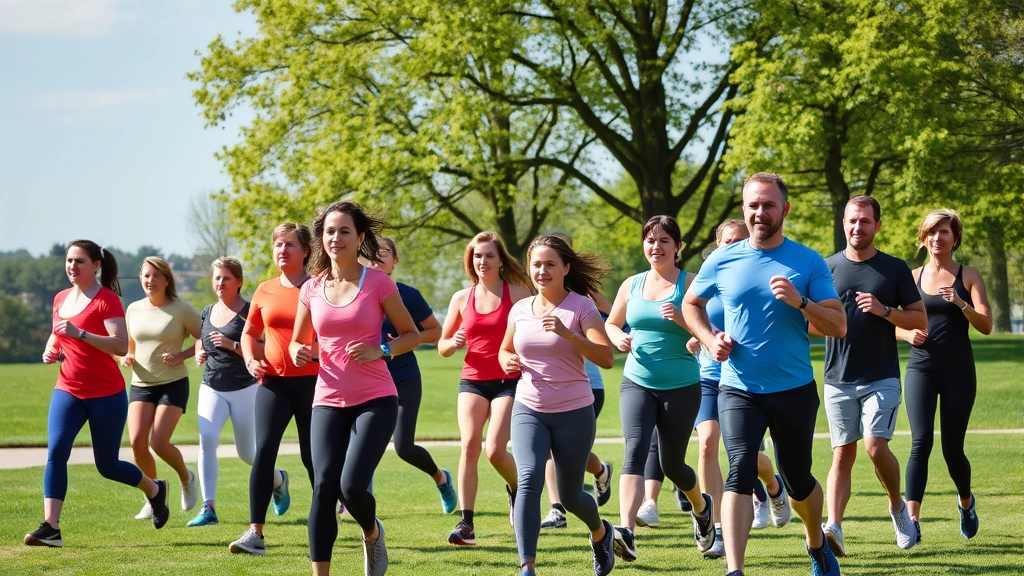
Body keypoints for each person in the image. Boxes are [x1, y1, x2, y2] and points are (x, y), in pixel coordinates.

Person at [683, 172, 847, 576]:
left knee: (797, 479)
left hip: (793, 389)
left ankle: (815, 542)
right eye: (753, 205)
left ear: (784, 209)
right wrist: (707, 339)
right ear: (744, 209)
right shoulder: (722, 258)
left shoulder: (807, 260)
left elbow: (838, 325)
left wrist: (802, 301)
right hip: (739, 388)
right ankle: (735, 570)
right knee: (739, 466)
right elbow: (691, 304)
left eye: (769, 204)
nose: (760, 212)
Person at [290, 201, 420, 576]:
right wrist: (300, 352)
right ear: (321, 239)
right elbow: (299, 343)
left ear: (360, 237)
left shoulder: (378, 282)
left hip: (376, 399)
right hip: (328, 398)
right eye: (330, 231)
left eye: (345, 231)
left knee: (350, 487)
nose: (336, 238)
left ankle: (372, 532)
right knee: (323, 487)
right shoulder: (311, 288)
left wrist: (381, 348)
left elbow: (411, 335)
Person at [25, 240, 171, 548]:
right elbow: (58, 331)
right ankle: (51, 526)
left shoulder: (107, 300)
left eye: (79, 261)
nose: (72, 266)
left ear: (96, 266)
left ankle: (155, 490)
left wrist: (81, 334)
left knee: (107, 466)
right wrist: (51, 347)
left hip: (106, 393)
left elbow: (120, 345)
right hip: (68, 389)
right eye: (69, 260)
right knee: (56, 452)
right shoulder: (60, 298)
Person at [498, 234, 616, 576]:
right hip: (529, 408)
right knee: (529, 479)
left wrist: (569, 334)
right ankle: (527, 567)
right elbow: (506, 349)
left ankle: (601, 532)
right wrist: (507, 360)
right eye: (536, 264)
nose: (542, 270)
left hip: (574, 412)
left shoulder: (581, 306)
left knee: (569, 495)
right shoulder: (520, 309)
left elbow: (606, 357)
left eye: (550, 264)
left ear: (565, 268)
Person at [818, 197, 928, 555]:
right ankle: (834, 526)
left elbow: (919, 319)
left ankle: (897, 507)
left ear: (876, 226)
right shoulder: (827, 268)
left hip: (881, 375)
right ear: (844, 223)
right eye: (852, 221)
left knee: (875, 446)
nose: (857, 227)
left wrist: (884, 311)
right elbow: (812, 321)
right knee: (841, 454)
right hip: (837, 377)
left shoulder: (894, 269)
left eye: (865, 221)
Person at [605, 215, 716, 563]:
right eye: (650, 240)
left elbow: (707, 332)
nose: (656, 247)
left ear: (677, 247)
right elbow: (610, 322)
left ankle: (701, 506)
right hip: (636, 380)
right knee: (635, 450)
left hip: (681, 386)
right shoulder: (632, 284)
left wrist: (681, 320)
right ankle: (626, 531)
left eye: (664, 240)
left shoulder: (692, 283)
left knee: (672, 465)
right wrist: (618, 336)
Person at [897, 209, 992, 541]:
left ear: (955, 238)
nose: (938, 237)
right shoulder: (911, 277)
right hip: (921, 368)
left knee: (952, 448)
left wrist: (961, 304)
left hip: (958, 371)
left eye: (945, 232)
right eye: (932, 232)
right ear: (924, 238)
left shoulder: (969, 275)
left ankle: (966, 503)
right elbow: (891, 323)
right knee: (920, 443)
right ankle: (912, 522)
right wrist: (907, 335)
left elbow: (987, 326)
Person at [438, 231, 532, 546]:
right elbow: (442, 346)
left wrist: (519, 356)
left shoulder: (518, 294)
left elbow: (532, 333)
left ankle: (518, 489)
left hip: (509, 382)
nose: (483, 261)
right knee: (469, 446)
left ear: (500, 260)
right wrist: (453, 342)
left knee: (494, 450)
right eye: (477, 256)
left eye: (489, 255)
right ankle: (466, 524)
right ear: (471, 261)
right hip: (473, 380)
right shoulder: (461, 298)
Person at [230, 222, 317, 555]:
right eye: (278, 244)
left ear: (305, 251)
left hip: (313, 384)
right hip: (272, 385)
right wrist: (251, 360)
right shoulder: (265, 290)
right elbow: (249, 334)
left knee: (314, 459)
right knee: (264, 453)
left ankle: (323, 523)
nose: (282, 250)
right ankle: (256, 534)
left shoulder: (319, 287)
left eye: (290, 245)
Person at [372, 237, 457, 512]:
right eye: (371, 253)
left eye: (384, 253)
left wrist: (403, 341)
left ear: (395, 261)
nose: (377, 258)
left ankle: (441, 478)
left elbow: (436, 332)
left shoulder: (408, 295)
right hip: (369, 379)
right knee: (362, 443)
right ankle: (352, 500)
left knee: (404, 447)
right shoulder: (354, 295)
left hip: (404, 375)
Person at [123, 256, 202, 519]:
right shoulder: (133, 309)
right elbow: (131, 345)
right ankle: (154, 493)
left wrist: (183, 355)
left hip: (173, 383)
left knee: (159, 442)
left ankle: (187, 477)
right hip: (141, 384)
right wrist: (127, 357)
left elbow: (205, 339)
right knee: (136, 442)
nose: (149, 280)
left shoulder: (181, 309)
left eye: (156, 275)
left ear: (167, 280)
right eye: (146, 275)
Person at [188, 257, 261, 527]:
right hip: (212, 385)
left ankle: (278, 479)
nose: (220, 282)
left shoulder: (250, 312)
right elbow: (200, 339)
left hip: (245, 387)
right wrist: (200, 354)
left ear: (239, 282)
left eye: (226, 278)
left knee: (247, 453)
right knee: (206, 440)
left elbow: (261, 349)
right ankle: (209, 509)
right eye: (217, 278)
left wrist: (233, 345)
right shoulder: (207, 311)